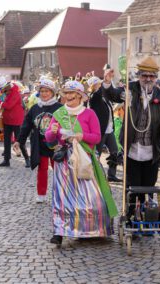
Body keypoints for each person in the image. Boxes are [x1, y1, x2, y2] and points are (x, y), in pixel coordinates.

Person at [102, 56, 160, 218]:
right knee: (132, 187)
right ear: (139, 76)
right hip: (132, 148)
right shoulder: (130, 90)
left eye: (151, 76)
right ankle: (130, 217)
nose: (148, 79)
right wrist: (108, 82)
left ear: (156, 77)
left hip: (152, 150)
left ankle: (144, 216)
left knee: (148, 186)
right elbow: (113, 95)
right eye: (144, 75)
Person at [45, 80, 118, 245]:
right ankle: (59, 231)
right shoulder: (58, 114)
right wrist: (52, 132)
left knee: (92, 197)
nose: (69, 96)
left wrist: (81, 136)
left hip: (85, 159)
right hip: (64, 162)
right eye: (66, 93)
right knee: (62, 198)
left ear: (80, 96)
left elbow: (97, 137)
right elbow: (49, 140)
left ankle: (92, 229)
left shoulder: (89, 114)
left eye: (72, 93)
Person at [15, 78, 62, 203]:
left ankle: (60, 194)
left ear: (52, 92)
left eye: (47, 91)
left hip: (55, 144)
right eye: (42, 91)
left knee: (59, 170)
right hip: (39, 144)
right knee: (42, 169)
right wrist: (19, 141)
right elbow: (26, 126)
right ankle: (41, 194)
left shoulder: (60, 108)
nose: (44, 93)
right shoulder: (35, 108)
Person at [88, 75, 124, 182]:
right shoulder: (94, 96)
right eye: (98, 83)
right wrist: (105, 82)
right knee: (97, 154)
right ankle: (94, 175)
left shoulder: (104, 96)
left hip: (109, 129)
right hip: (100, 130)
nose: (100, 85)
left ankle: (111, 175)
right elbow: (100, 92)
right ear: (94, 86)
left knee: (114, 152)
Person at [0, 77, 25, 167]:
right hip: (7, 119)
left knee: (19, 140)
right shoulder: (6, 92)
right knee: (6, 141)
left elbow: (9, 106)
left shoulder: (14, 92)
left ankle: (27, 159)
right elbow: (1, 104)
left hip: (16, 120)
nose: (0, 90)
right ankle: (6, 160)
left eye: (1, 88)